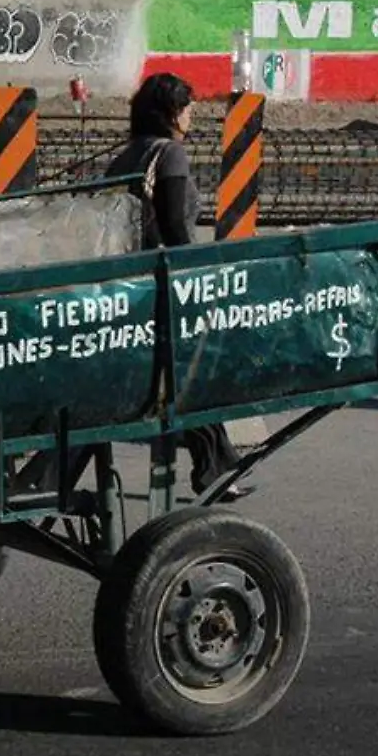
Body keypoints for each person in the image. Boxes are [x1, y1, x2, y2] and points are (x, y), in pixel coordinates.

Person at [106, 72, 249, 499]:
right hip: (162, 284)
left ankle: (216, 468)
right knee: (189, 374)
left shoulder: (129, 153)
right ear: (172, 112)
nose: (192, 116)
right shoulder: (169, 154)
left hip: (131, 284)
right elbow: (171, 225)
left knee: (184, 377)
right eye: (188, 108)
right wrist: (194, 275)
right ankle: (216, 470)